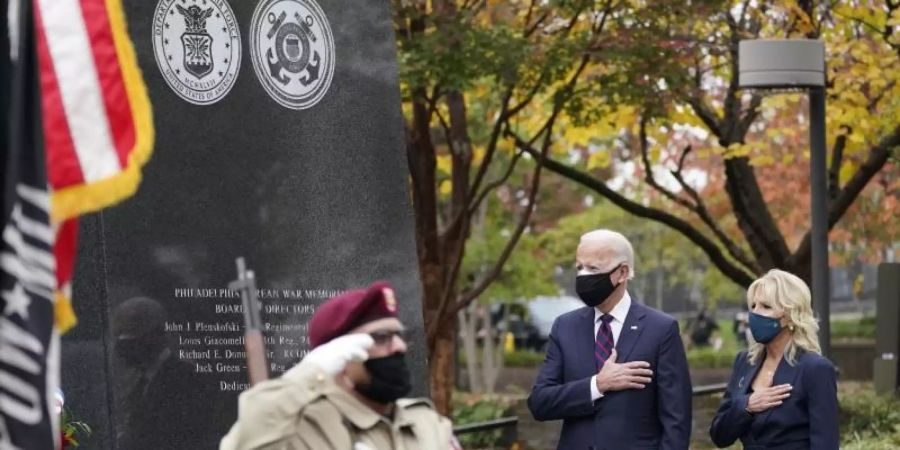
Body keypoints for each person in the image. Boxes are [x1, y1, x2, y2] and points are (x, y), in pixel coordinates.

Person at [220, 281, 458, 450]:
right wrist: (310, 373)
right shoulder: (303, 429)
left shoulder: (426, 423)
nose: (399, 347)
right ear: (339, 357)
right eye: (381, 337)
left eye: (399, 336)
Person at [528, 229, 692, 450]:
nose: (583, 276)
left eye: (593, 268)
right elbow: (540, 403)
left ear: (622, 273)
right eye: (579, 267)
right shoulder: (565, 327)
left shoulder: (661, 329)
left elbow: (677, 420)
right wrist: (598, 384)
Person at [709, 269, 839, 449]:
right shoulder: (745, 362)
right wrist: (747, 405)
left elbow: (825, 443)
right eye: (753, 306)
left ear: (790, 315)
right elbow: (719, 436)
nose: (755, 314)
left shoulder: (815, 368)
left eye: (766, 306)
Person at [112, 296, 217, 450]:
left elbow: (183, 437)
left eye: (132, 342)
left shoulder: (187, 379)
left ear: (155, 336)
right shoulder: (140, 382)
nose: (124, 352)